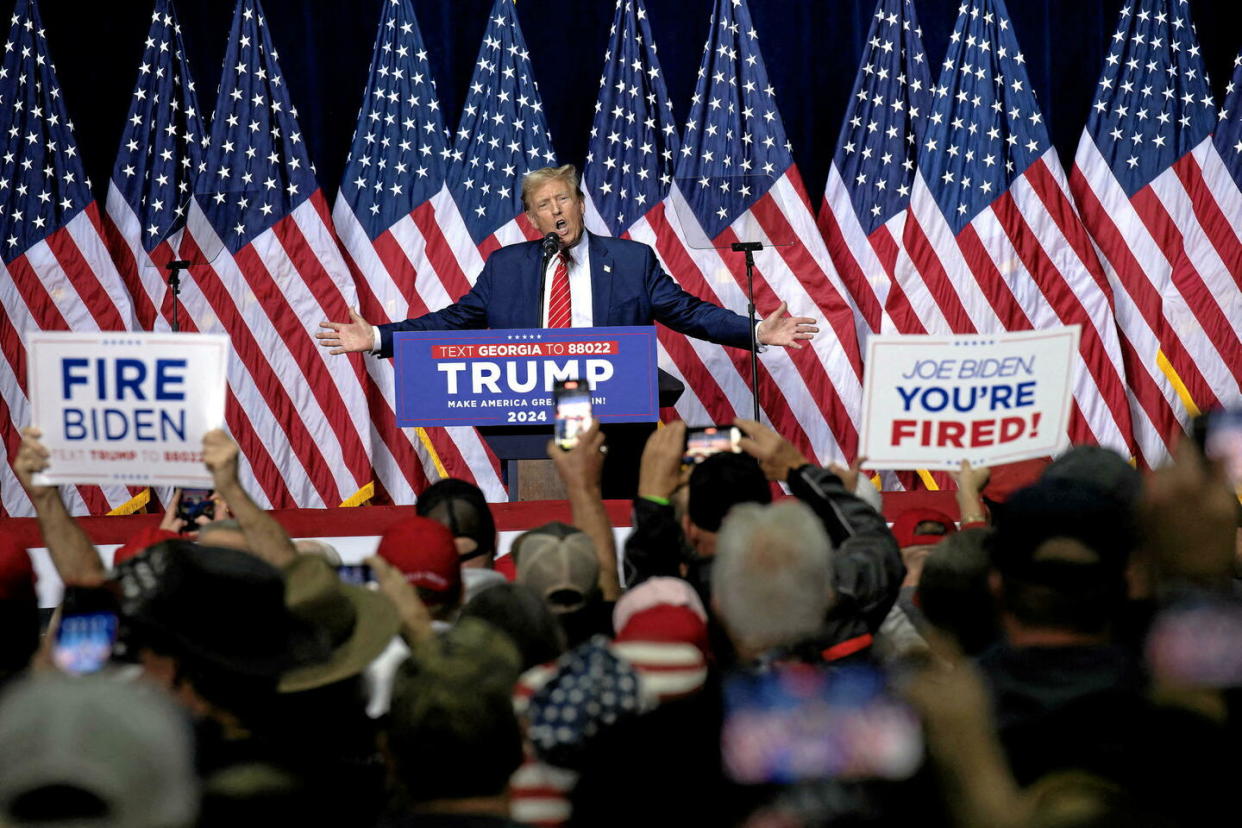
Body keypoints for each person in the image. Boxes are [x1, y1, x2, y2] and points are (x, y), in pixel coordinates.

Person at [315, 164, 817, 358]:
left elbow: (689, 311)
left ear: (579, 204)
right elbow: (454, 321)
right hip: (525, 407)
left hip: (612, 412)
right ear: (531, 220)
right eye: (543, 205)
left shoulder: (630, 260)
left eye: (564, 200)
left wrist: (755, 331)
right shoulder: (506, 266)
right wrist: (378, 336)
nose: (556, 211)